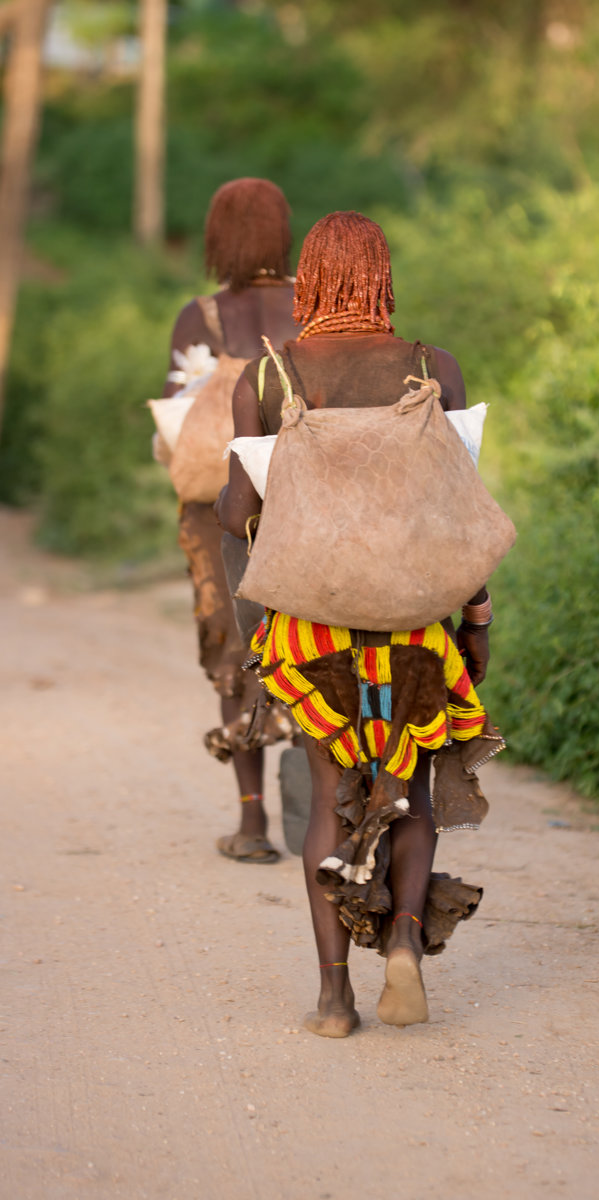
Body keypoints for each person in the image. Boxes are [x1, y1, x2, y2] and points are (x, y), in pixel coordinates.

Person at [217, 211, 504, 1036]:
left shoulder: (267, 378)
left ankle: (336, 998)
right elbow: (460, 515)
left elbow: (239, 513)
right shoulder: (432, 368)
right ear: (380, 278)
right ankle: (406, 944)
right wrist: (476, 619)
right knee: (408, 790)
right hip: (415, 624)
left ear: (309, 282)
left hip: (313, 631)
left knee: (325, 803)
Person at [160, 178, 301, 863]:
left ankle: (252, 824)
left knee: (234, 651)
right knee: (308, 641)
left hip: (219, 507)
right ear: (283, 233)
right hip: (305, 501)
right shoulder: (317, 307)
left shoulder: (202, 318)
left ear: (218, 237)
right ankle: (322, 809)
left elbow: (175, 412)